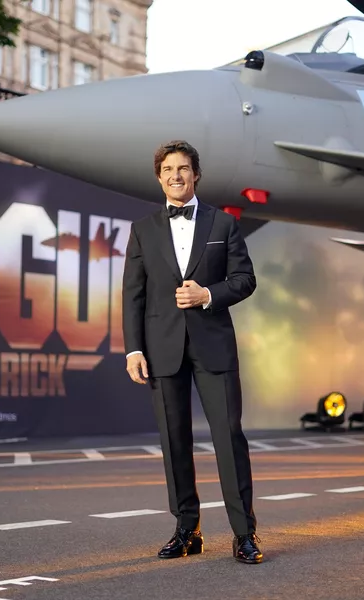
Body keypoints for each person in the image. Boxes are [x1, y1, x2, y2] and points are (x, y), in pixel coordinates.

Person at [122, 140, 262, 564]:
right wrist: (133, 350)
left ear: (195, 174)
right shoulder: (143, 228)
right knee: (174, 442)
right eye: (167, 169)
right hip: (162, 349)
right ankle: (187, 530)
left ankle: (244, 534)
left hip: (213, 345)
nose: (175, 176)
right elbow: (133, 295)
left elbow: (245, 279)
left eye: (183, 168)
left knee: (228, 439)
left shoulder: (223, 224)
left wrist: (207, 294)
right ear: (159, 176)